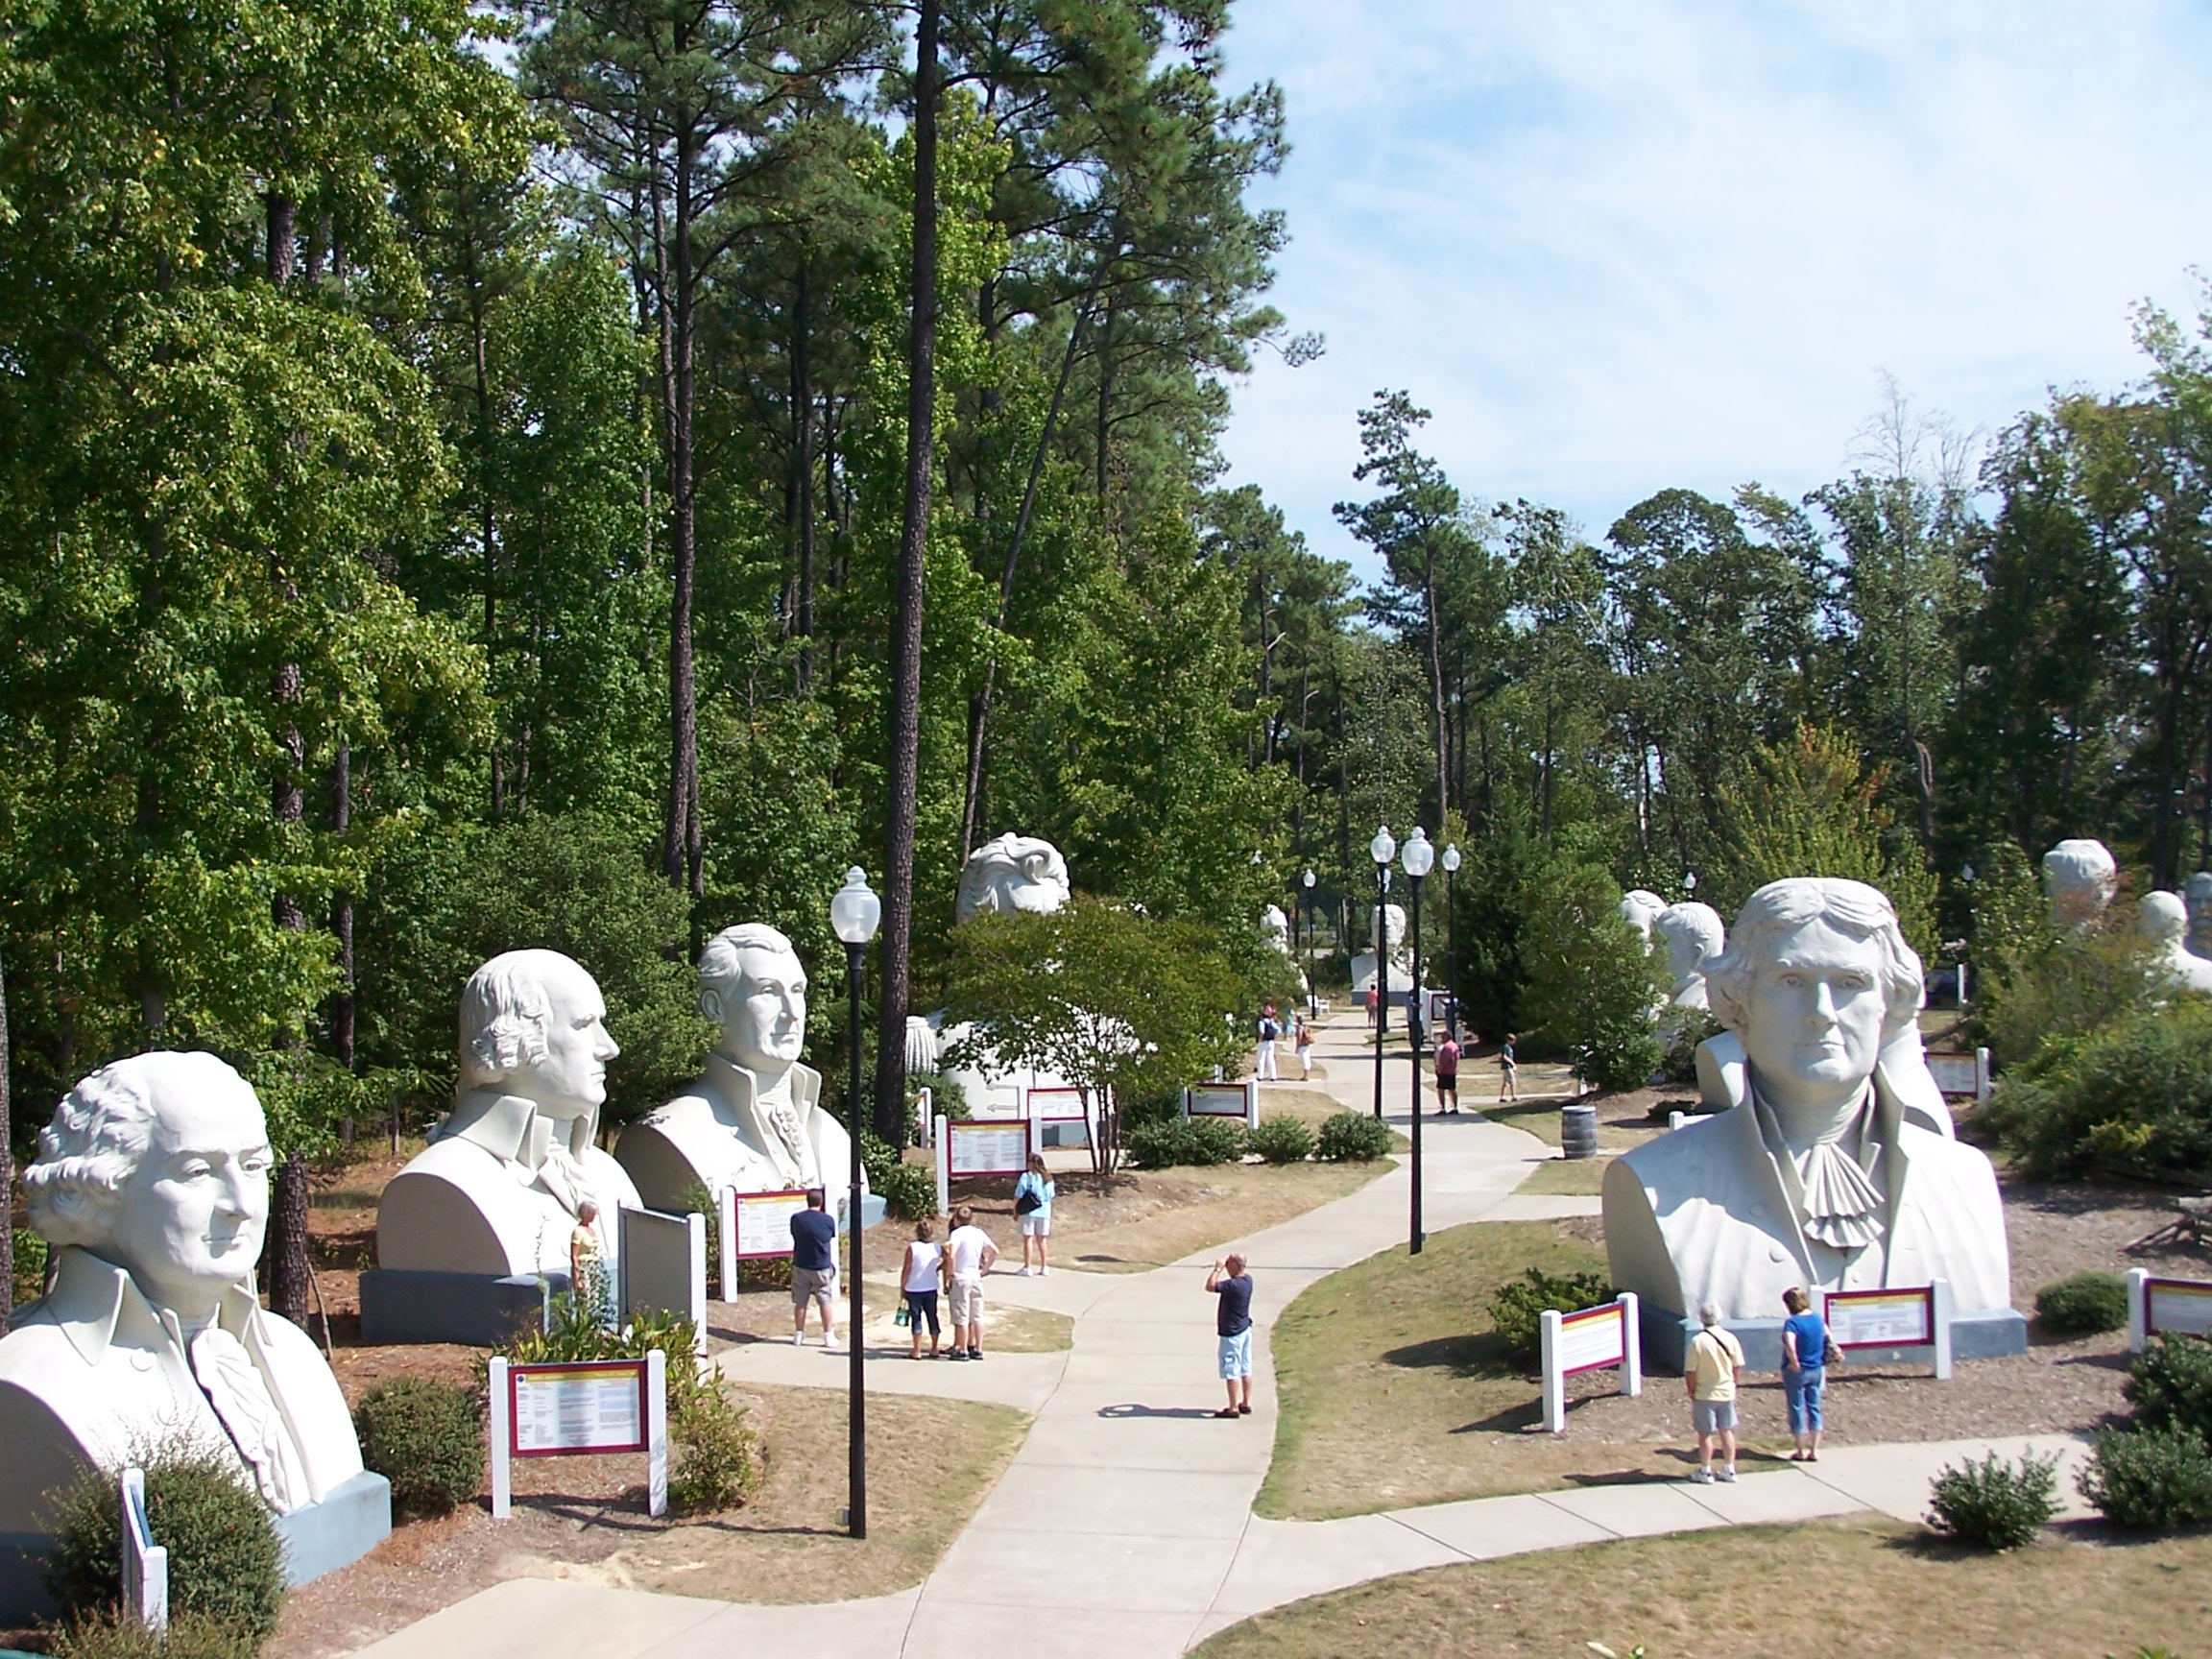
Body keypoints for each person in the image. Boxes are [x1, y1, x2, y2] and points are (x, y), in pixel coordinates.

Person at [1684, 1300, 1745, 1483]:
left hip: (1705, 1393)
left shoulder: (1697, 1342)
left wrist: (1691, 1391)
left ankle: (1705, 1470)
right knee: (1727, 1431)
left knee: (1705, 1434)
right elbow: (1737, 1366)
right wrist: (1733, 1383)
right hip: (1726, 1391)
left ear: (1701, 1319)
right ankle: (1729, 1468)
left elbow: (1691, 1371)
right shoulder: (1730, 1338)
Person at [945, 1204, 998, 1360]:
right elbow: (995, 1250)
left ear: (956, 1219)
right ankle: (978, 1348)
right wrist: (985, 1269)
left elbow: (952, 1255)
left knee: (962, 1314)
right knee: (977, 1315)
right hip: (976, 1276)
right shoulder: (978, 1233)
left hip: (961, 1277)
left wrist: (951, 1272)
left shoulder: (957, 1234)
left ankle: (962, 1350)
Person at [1781, 1286, 1828, 1461]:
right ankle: (1815, 1449)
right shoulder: (1817, 1319)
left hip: (1798, 1370)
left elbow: (1790, 1345)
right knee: (1814, 1407)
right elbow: (1828, 1337)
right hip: (1816, 1368)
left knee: (1797, 1407)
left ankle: (1800, 1450)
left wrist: (1794, 1363)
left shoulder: (1792, 1323)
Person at [789, 1188, 839, 1350]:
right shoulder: (828, 1220)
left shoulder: (796, 1219)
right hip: (821, 1265)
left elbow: (794, 1235)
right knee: (824, 1300)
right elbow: (829, 1237)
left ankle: (799, 1334)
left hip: (801, 1263)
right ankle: (828, 1335)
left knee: (800, 1302)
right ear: (821, 1201)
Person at [1206, 1253, 1256, 1417]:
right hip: (1244, 1329)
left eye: (1229, 1263)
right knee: (1245, 1367)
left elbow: (1210, 1286)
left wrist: (1217, 1269)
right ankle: (1246, 1402)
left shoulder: (1233, 1285)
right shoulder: (1248, 1281)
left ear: (1235, 1265)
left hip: (1232, 1333)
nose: (1227, 1266)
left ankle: (1233, 1407)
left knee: (1231, 1370)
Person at [902, 1219, 945, 1359]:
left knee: (916, 1318)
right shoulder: (937, 1247)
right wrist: (938, 1267)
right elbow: (948, 1258)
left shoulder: (913, 1248)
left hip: (914, 1287)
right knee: (932, 1316)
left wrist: (902, 1286)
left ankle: (917, 1349)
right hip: (931, 1286)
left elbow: (907, 1268)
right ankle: (934, 1347)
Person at [1013, 1153, 1056, 1276]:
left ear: (1033, 1164)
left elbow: (1018, 1195)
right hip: (1044, 1211)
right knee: (1042, 1240)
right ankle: (1044, 1266)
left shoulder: (1027, 1176)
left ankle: (1027, 1267)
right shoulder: (1048, 1178)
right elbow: (1051, 1195)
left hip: (1029, 1211)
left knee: (1028, 1239)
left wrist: (1015, 1210)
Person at [1433, 1029, 1460, 1115]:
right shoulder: (1455, 1046)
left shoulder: (1447, 1047)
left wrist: (1440, 1068)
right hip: (1452, 1070)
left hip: (1444, 1071)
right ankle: (1455, 1107)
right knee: (1452, 1089)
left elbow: (1446, 1058)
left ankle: (1442, 1108)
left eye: (1442, 1036)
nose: (1441, 1038)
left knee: (1440, 1089)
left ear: (1447, 1037)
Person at [1256, 1003, 1280, 1081]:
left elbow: (1262, 1031)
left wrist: (1260, 1039)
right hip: (1271, 1042)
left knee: (1261, 1059)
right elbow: (1278, 1030)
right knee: (1271, 1059)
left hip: (1263, 1042)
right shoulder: (1271, 1022)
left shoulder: (1262, 1022)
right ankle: (1273, 1076)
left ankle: (1260, 1076)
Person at [1498, 1033, 1519, 1103]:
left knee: (1505, 1082)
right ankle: (1513, 1096)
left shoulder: (1509, 1047)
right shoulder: (1506, 1047)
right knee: (1512, 1081)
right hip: (1507, 1066)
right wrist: (1512, 1064)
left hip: (1508, 1066)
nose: (1513, 1042)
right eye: (1512, 1040)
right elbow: (1504, 1057)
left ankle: (1502, 1097)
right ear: (1509, 1040)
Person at [1294, 1013, 1314, 1080]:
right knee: (1307, 1059)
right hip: (1306, 1045)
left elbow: (1299, 1038)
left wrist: (1297, 1047)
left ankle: (1305, 1076)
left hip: (1302, 1046)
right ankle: (1306, 1074)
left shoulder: (1300, 1028)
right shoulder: (1305, 1026)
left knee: (1304, 1060)